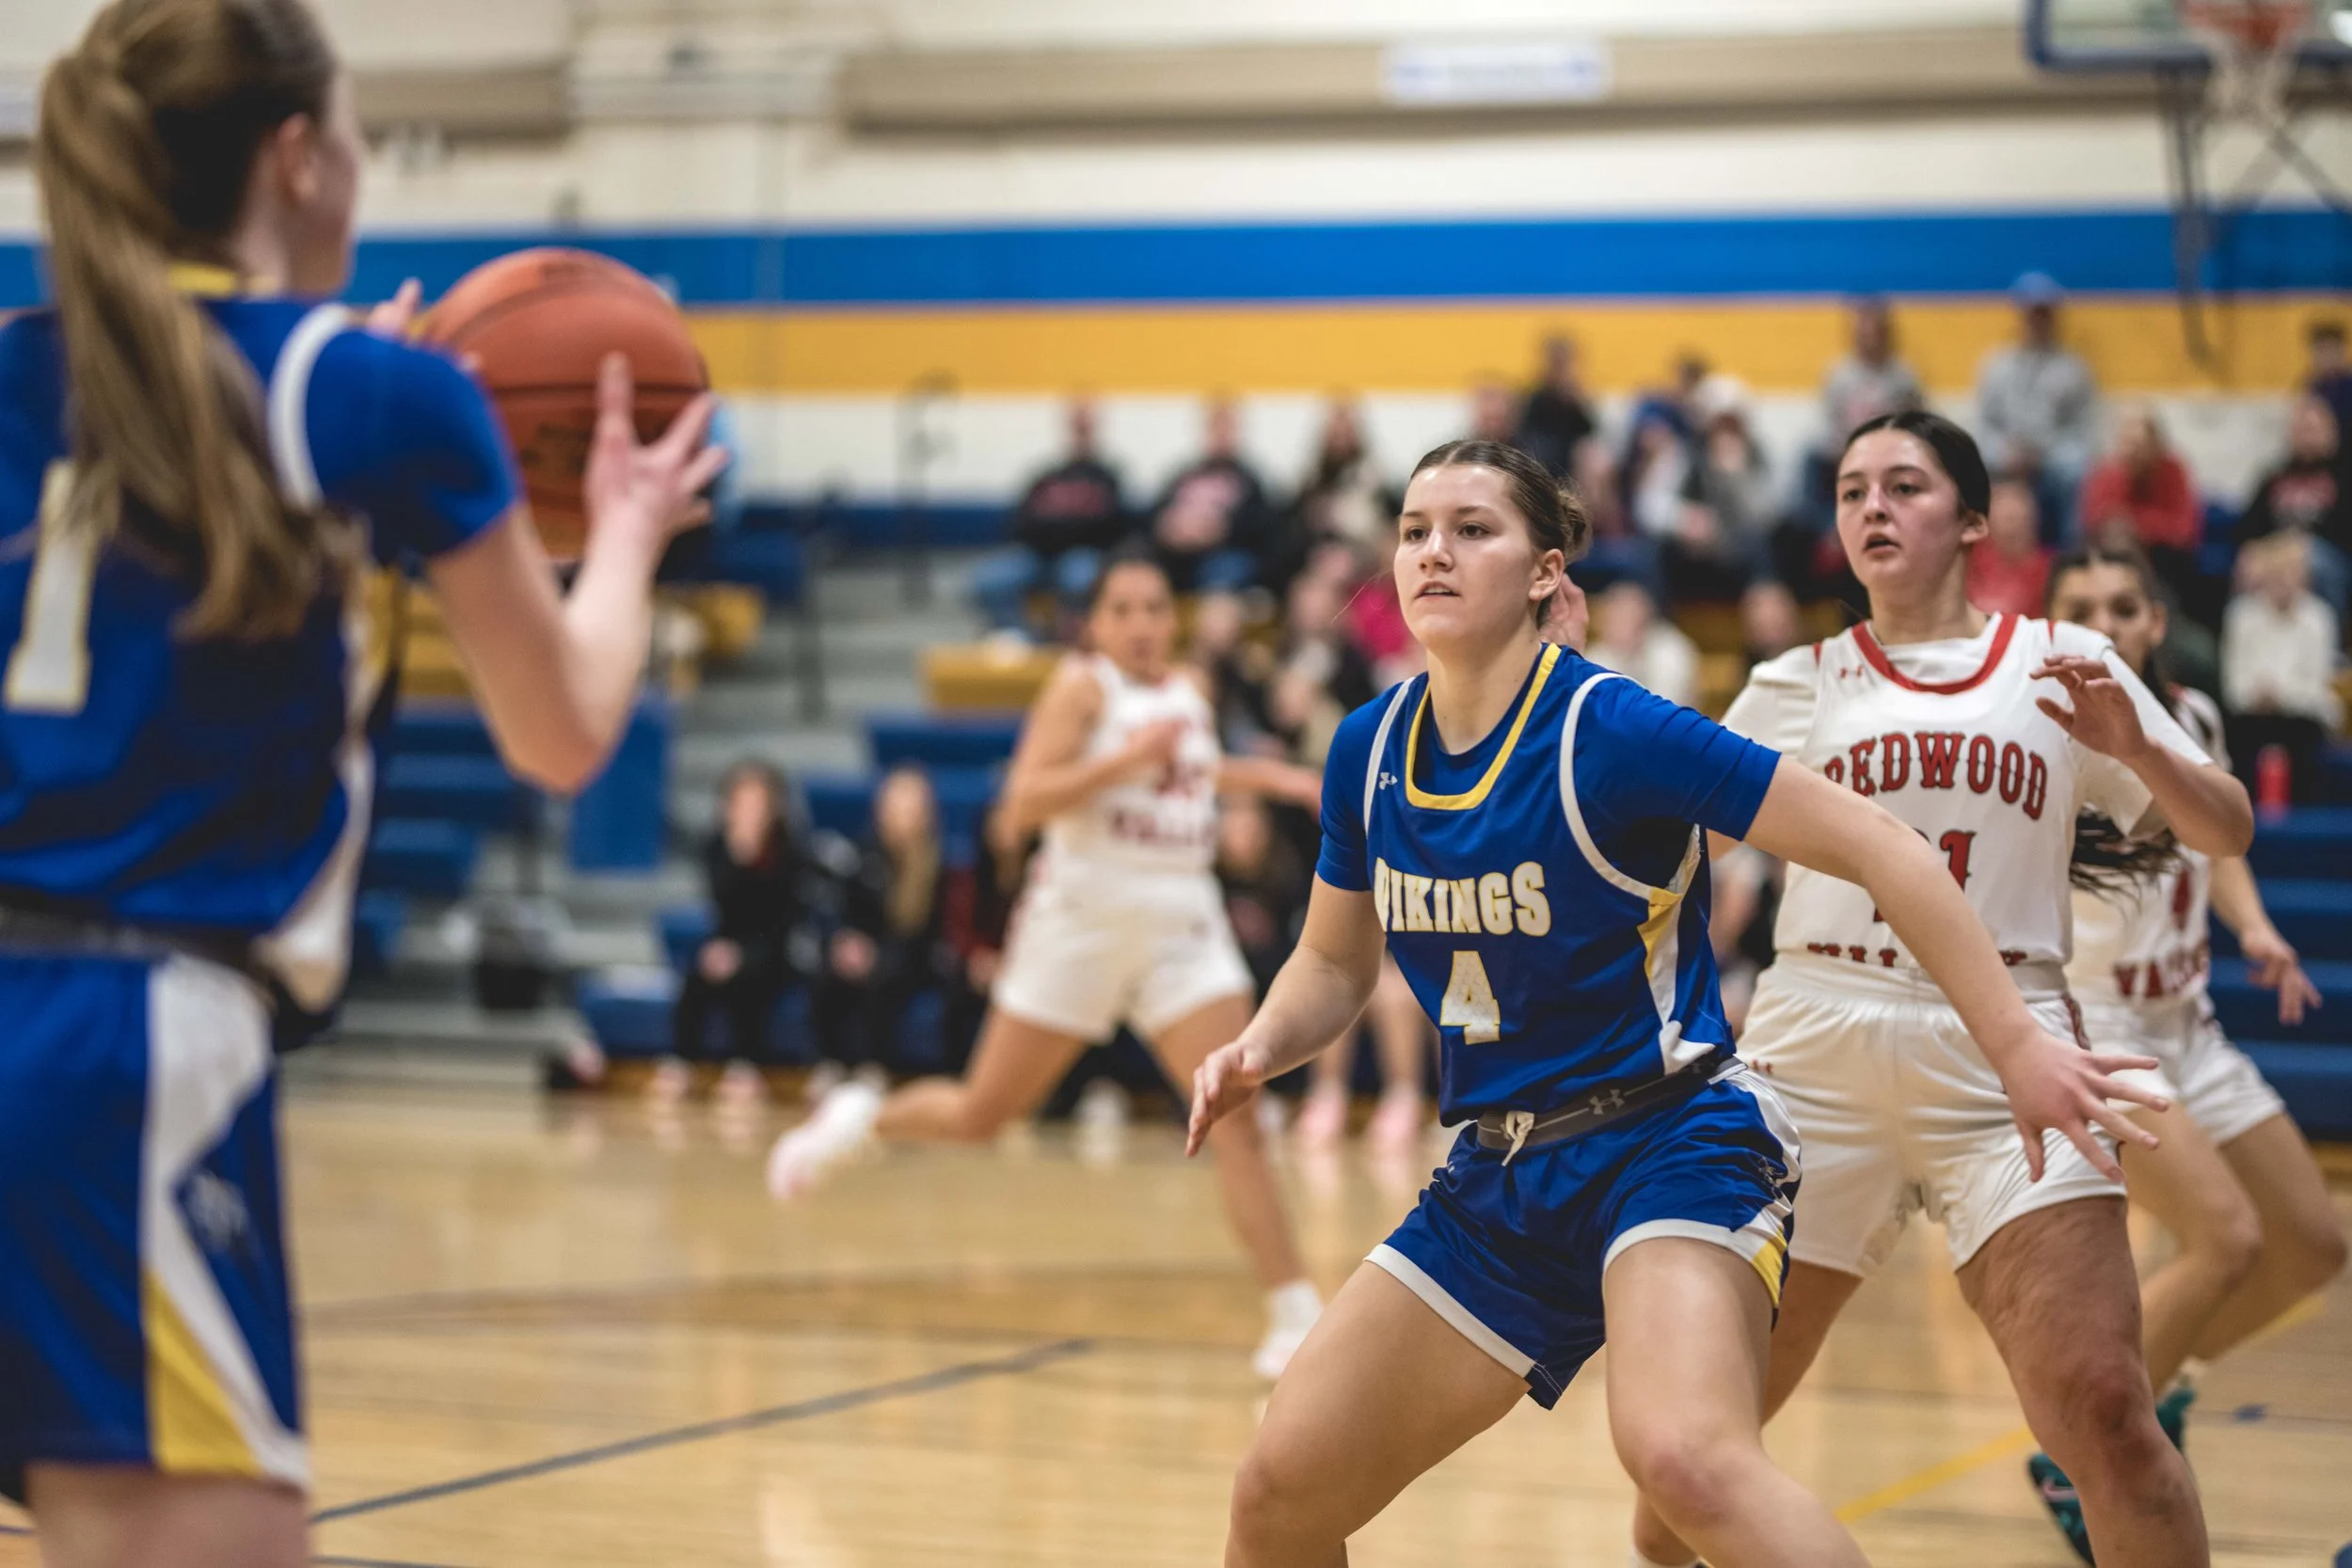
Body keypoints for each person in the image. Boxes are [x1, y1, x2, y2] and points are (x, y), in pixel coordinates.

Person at [0, 1, 723, 1560]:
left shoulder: (29, 371)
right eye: (357, 135)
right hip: (110, 1054)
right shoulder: (374, 402)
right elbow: (563, 729)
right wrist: (632, 524)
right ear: (298, 157)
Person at [1190, 437, 2172, 1568]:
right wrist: (1258, 1044)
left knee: (1684, 1458)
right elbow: (1329, 963)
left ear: (1546, 570)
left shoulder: (1612, 729)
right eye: (1414, 530)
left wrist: (2017, 1044)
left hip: (1669, 1139)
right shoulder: (1365, 750)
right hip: (1497, 1180)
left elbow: (1887, 849)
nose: (1432, 553)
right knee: (1278, 1491)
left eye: (1472, 529)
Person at [1629, 409, 2249, 1568]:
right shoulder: (1790, 682)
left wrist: (2148, 749)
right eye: (1852, 487)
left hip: (2006, 1043)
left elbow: (2224, 826)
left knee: (2107, 1412)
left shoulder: (2062, 663)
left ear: (1971, 519)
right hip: (1811, 1046)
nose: (1870, 505)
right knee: (1685, 1466)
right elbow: (1664, 858)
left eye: (1903, 485)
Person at [766, 549, 1329, 1378]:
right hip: (1079, 927)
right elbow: (1022, 802)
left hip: (1181, 928)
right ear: (1095, 625)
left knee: (1239, 1116)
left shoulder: (1188, 691)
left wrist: (1281, 780)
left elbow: (1195, 773)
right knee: (982, 1114)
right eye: (1123, 609)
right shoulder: (1080, 690)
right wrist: (1122, 761)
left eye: (1153, 607)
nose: (1141, 624)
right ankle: (863, 1119)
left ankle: (1293, 1311)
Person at [2035, 544, 2346, 1560]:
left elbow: (2216, 846)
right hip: (2098, 1024)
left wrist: (2252, 924)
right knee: (2225, 1238)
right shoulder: (2028, 735)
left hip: (2188, 1018)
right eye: (2082, 607)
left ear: (2155, 623)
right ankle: (2080, 1446)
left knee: (2312, 1243)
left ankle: (2161, 1390)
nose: (2106, 621)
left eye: (2125, 605)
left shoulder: (2194, 717)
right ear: (2049, 623)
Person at [652, 761, 817, 1104]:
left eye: (757, 803)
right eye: (741, 802)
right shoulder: (716, 847)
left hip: (775, 946)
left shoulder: (791, 850)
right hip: (730, 939)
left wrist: (752, 857)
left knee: (749, 976)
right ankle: (681, 1061)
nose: (748, 811)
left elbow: (780, 915)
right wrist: (738, 856)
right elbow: (725, 905)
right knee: (697, 973)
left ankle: (746, 1064)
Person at [814, 766, 961, 1084]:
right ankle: (829, 1063)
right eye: (894, 806)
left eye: (910, 808)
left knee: (885, 975)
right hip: (867, 948)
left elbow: (928, 934)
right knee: (827, 971)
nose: (901, 816)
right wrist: (847, 942)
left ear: (925, 815)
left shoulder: (936, 865)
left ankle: (874, 1067)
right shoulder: (863, 855)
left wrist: (878, 953)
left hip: (914, 958)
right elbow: (846, 909)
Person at [969, 396, 1129, 636]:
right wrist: (1060, 531)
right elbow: (1019, 523)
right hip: (1036, 554)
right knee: (987, 580)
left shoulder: (1108, 478)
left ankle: (1068, 635)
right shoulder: (1045, 476)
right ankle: (1023, 635)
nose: (1081, 431)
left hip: (1081, 554)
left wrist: (1059, 530)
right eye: (1076, 425)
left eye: (1086, 425)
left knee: (1080, 576)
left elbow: (1112, 527)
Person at [2221, 532, 2341, 804]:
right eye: (2277, 575)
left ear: (2304, 577)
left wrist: (2282, 696)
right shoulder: (2242, 615)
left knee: (2303, 735)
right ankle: (2242, 808)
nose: (2284, 583)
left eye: (2292, 574)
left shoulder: (2318, 618)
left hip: (2301, 714)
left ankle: (2302, 813)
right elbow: (2234, 682)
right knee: (2237, 733)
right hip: (2254, 711)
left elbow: (2319, 686)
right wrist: (2256, 696)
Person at [1976, 272, 2099, 533]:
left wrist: (2042, 454)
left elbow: (2082, 431)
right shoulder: (1996, 366)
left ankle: (2069, 552)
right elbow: (1984, 424)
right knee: (1963, 466)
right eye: (2032, 312)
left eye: (2044, 312)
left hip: (2053, 460)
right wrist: (2006, 452)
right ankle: (1978, 557)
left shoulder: (2073, 369)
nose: (2038, 320)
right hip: (2004, 457)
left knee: (2079, 471)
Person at [2237, 392, 2351, 618]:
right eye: (2301, 429)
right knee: (2247, 566)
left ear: (2331, 433)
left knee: (2314, 564)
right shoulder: (2273, 476)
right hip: (2276, 554)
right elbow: (2248, 530)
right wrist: (2256, 553)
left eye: (2313, 429)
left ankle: (2328, 644)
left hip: (2328, 557)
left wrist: (2302, 547)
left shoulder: (2344, 476)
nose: (2306, 436)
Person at [2078, 404, 2202, 596]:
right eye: (2126, 443)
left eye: (2139, 445)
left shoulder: (2173, 471)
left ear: (2156, 446)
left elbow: (2186, 530)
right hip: (2109, 557)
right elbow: (2095, 522)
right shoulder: (2107, 473)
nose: (2131, 453)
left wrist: (2139, 524)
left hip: (2164, 561)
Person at [1150, 398, 1270, 594]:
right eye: (1216, 426)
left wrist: (1220, 529)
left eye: (1227, 427)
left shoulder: (1249, 479)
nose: (1221, 434)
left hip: (1225, 559)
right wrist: (1171, 530)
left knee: (1228, 569)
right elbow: (1159, 515)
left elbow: (1262, 525)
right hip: (1179, 558)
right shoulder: (1184, 475)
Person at [1820, 296, 1924, 443]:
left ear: (1885, 335)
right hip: (1847, 444)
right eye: (1864, 336)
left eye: (1874, 335)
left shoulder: (1904, 376)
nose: (1870, 343)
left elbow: (1918, 418)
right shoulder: (1838, 375)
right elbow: (1830, 420)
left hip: (1894, 444)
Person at [1586, 579, 1699, 708]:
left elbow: (1666, 708)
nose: (1618, 626)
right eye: (1613, 618)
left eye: (1626, 618)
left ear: (1644, 619)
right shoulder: (1595, 656)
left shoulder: (1672, 650)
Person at [1964, 477, 2054, 616]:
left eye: (2018, 518)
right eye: (2007, 519)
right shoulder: (1970, 562)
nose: (2012, 529)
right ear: (1989, 523)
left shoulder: (2049, 570)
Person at [1517, 333, 1598, 481]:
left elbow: (1590, 430)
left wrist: (1576, 402)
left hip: (1572, 454)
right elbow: (1526, 427)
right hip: (1542, 450)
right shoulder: (1536, 393)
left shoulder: (1576, 395)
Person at [2308, 319, 2352, 436]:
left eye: (2330, 349)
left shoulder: (2348, 385)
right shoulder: (2314, 386)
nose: (2326, 357)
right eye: (2321, 350)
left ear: (2341, 351)